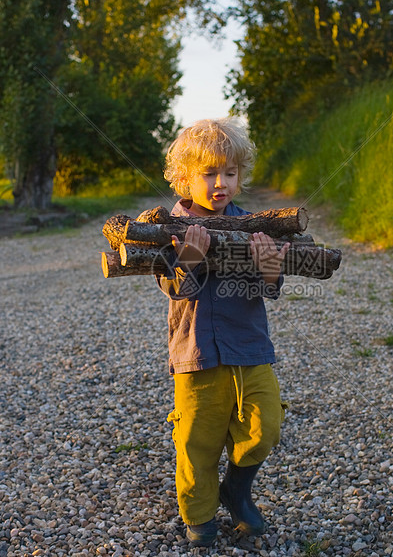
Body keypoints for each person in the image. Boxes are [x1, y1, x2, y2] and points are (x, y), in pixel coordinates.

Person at [156, 117, 290, 548]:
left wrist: (269, 270)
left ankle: (236, 486)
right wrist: (190, 257)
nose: (221, 183)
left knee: (265, 425)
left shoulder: (252, 226)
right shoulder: (170, 228)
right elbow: (176, 289)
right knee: (197, 441)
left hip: (249, 347)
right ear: (184, 177)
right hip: (197, 354)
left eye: (229, 173)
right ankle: (199, 516)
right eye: (209, 173)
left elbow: (265, 290)